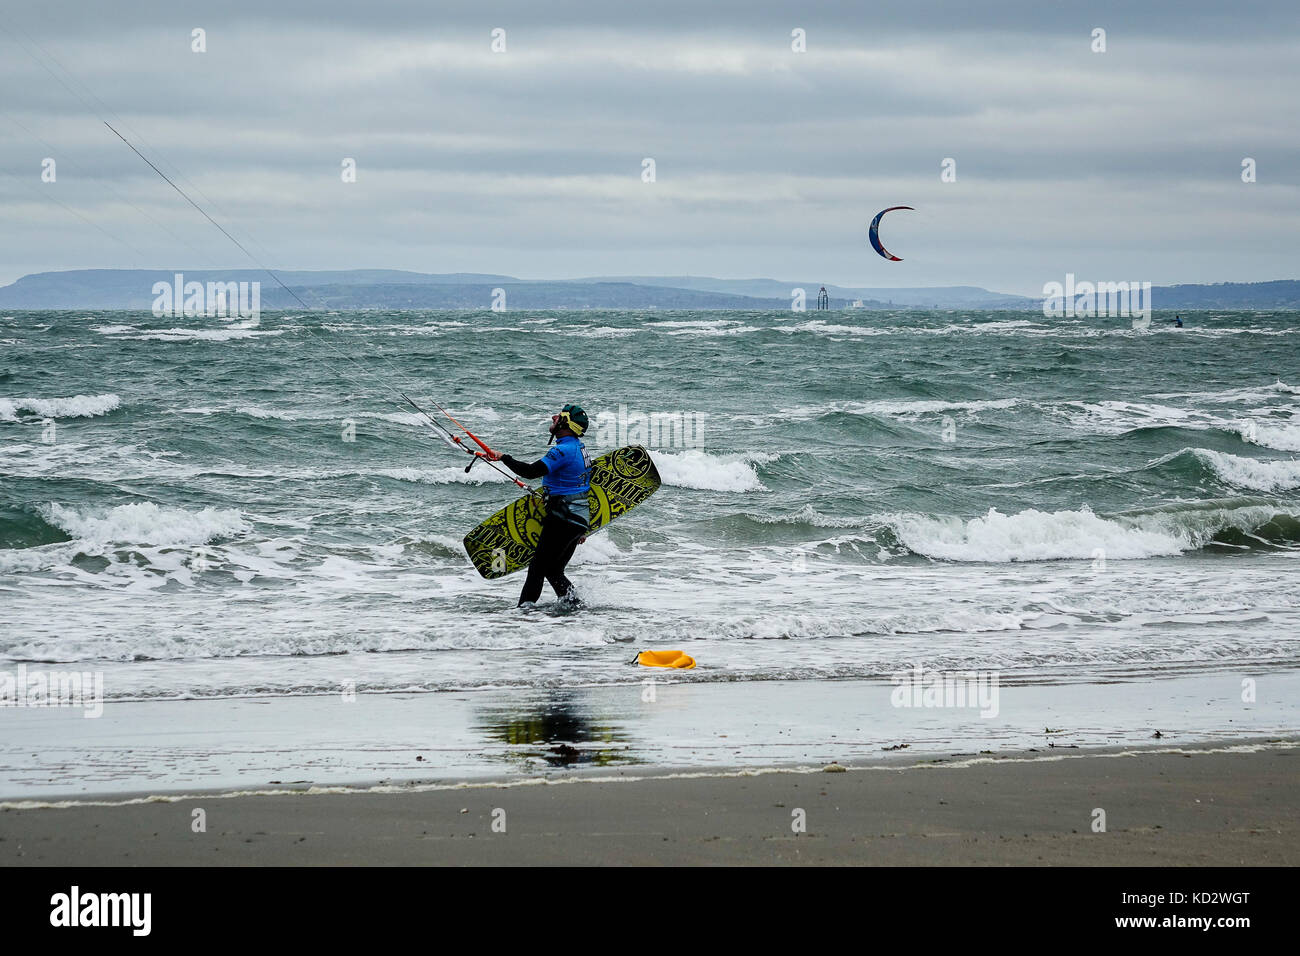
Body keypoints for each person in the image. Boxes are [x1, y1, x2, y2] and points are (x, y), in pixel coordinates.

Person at [487, 404, 592, 606]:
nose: (553, 417)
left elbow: (531, 472)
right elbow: (583, 484)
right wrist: (583, 527)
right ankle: (576, 608)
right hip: (576, 519)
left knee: (537, 568)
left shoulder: (562, 450)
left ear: (566, 423)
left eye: (558, 416)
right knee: (553, 570)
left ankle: (524, 614)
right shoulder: (580, 448)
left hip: (562, 518)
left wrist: (503, 457)